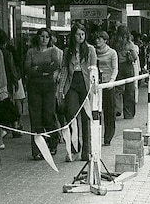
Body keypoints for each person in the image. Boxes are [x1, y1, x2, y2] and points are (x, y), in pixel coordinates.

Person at [57, 23, 97, 161]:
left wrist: (93, 89)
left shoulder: (90, 50)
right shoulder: (67, 51)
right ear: (73, 35)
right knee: (71, 116)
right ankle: (73, 150)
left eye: (83, 34)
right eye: (78, 34)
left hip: (85, 84)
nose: (80, 37)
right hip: (72, 84)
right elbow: (63, 70)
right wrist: (60, 89)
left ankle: (87, 151)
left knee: (86, 118)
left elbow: (93, 70)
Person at [24, 28, 63, 159]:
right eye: (41, 36)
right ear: (38, 37)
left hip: (48, 86)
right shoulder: (31, 51)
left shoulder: (53, 51)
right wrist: (43, 69)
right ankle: (37, 150)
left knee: (48, 114)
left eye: (47, 37)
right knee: (35, 118)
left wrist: (38, 69)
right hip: (34, 86)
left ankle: (53, 143)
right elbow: (28, 69)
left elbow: (55, 65)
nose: (44, 39)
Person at [0, 28, 24, 137]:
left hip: (1, 81)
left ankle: (4, 129)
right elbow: (12, 68)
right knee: (11, 103)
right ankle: (15, 127)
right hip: (8, 81)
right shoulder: (7, 52)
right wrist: (16, 81)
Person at [93, 30, 118, 145]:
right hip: (95, 85)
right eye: (96, 38)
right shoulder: (92, 51)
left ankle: (108, 137)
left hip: (107, 84)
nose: (97, 40)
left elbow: (115, 68)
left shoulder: (112, 53)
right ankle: (95, 136)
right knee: (95, 111)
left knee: (108, 112)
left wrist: (112, 81)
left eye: (100, 38)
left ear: (105, 40)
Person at [110, 25, 139, 120]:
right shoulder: (129, 44)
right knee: (129, 90)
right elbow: (135, 57)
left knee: (117, 89)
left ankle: (117, 109)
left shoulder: (113, 42)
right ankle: (129, 113)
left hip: (117, 67)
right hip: (128, 67)